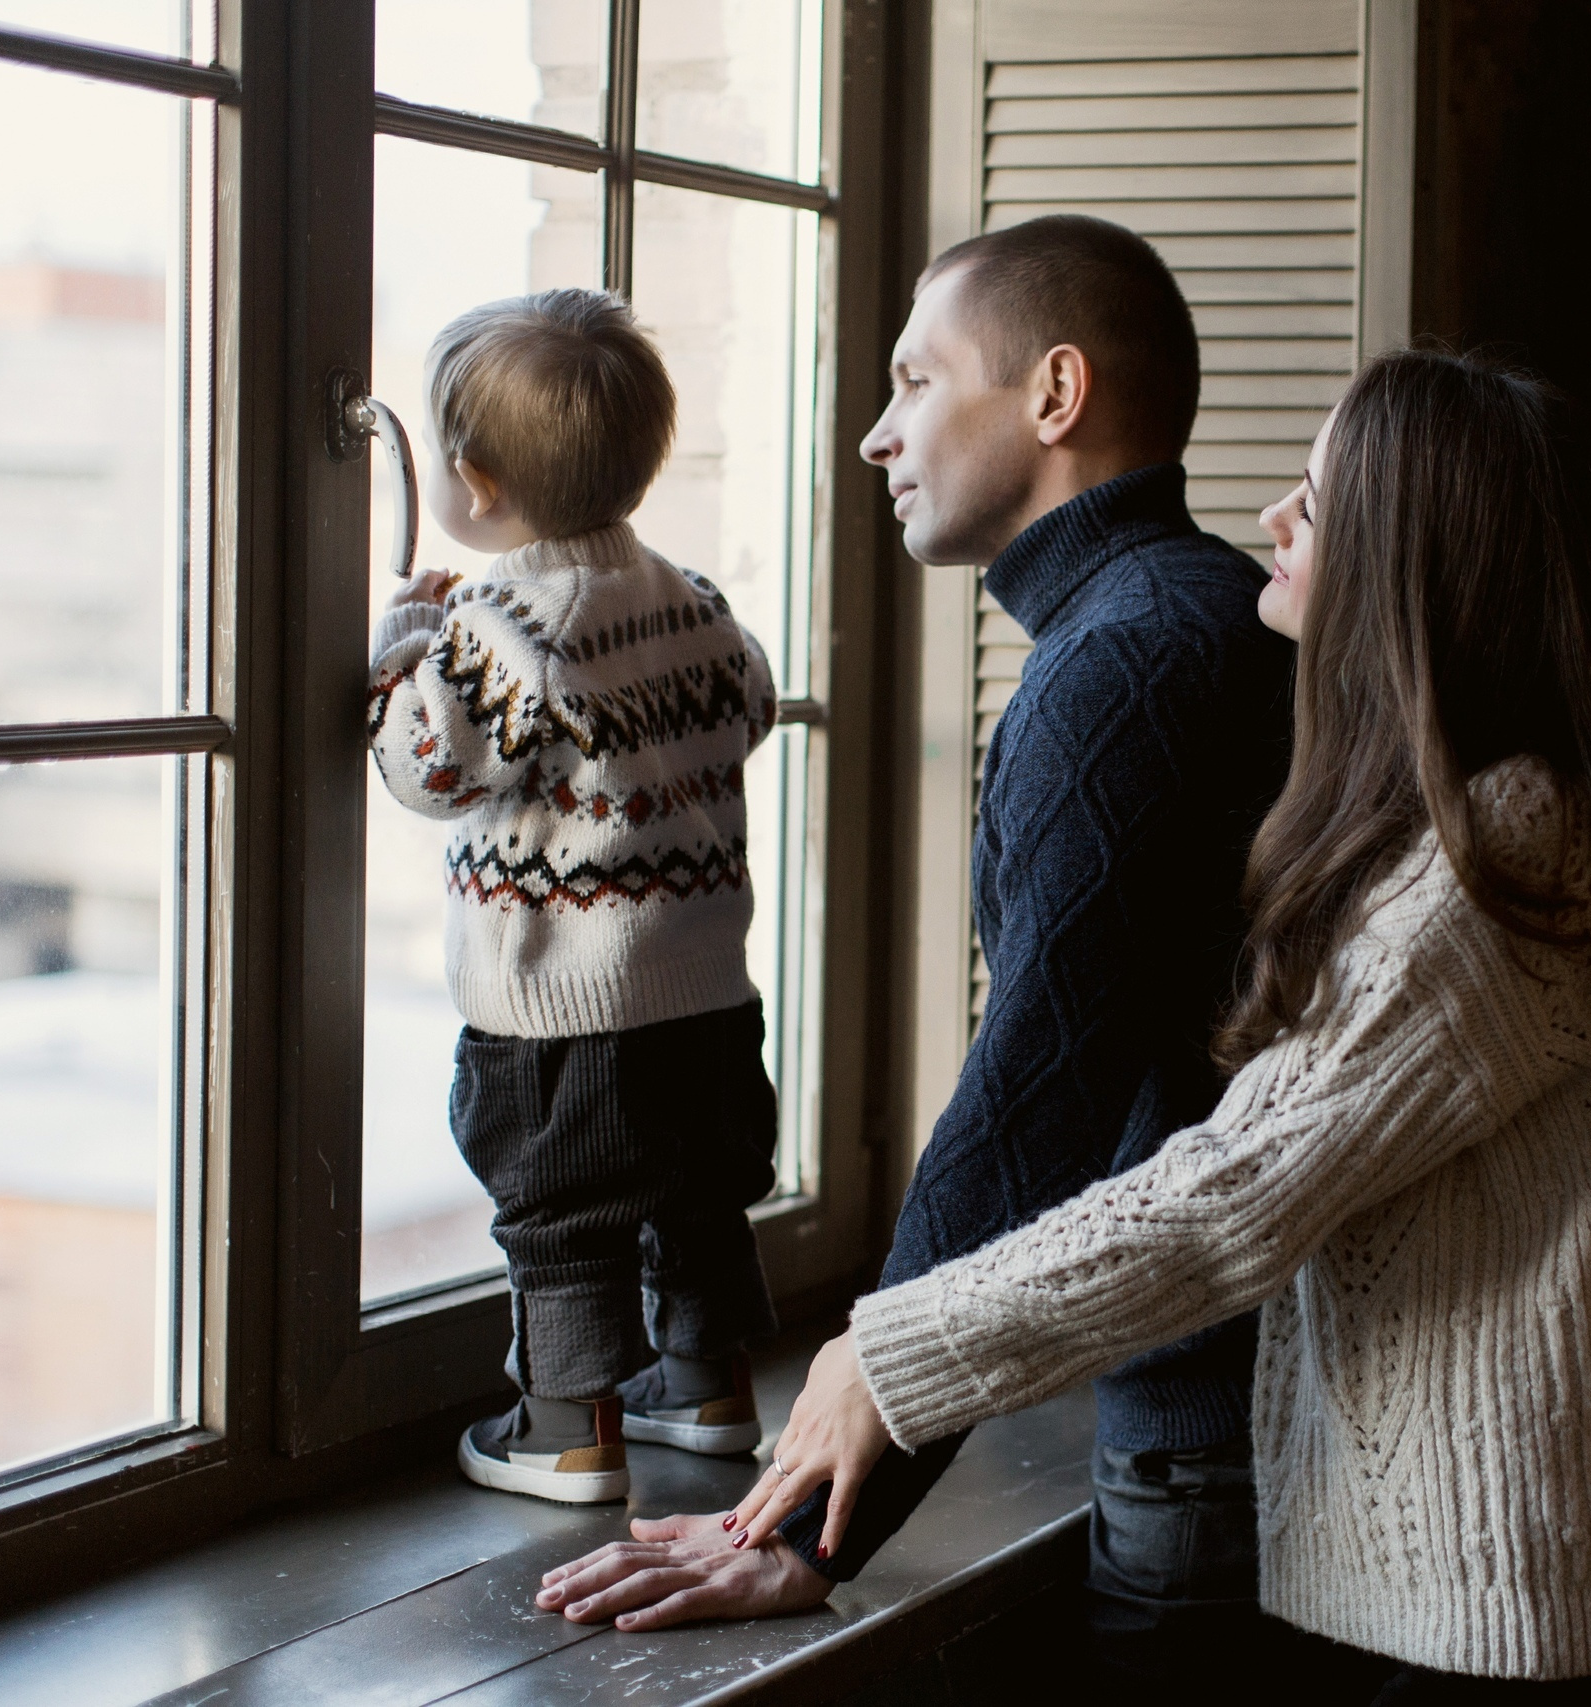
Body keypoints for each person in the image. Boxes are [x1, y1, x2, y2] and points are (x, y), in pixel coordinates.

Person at [719, 348, 1591, 1696]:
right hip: (1508, 1595)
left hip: (1521, 1620)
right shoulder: (1499, 819)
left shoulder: (1503, 850)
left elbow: (1236, 1191)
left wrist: (893, 1350)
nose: (1270, 518)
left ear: (1412, 566)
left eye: (1318, 506)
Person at [534, 216, 1299, 1676]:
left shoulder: (1127, 656)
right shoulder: (1186, 616)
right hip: (1223, 1419)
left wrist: (824, 1514)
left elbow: (1034, 1107)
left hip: (1211, 1446)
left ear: (1054, 397)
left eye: (914, 383)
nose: (878, 438)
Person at [368, 288, 782, 1504]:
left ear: (471, 482)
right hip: (706, 990)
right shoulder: (698, 602)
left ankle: (563, 1425)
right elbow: (748, 708)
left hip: (562, 1003)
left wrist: (402, 653)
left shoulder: (501, 625)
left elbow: (427, 769)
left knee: (563, 1211)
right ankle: (705, 1389)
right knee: (700, 1192)